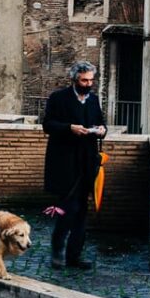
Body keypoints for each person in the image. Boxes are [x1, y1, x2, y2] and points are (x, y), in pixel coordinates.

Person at [42, 60, 107, 270]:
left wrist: (102, 130)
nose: (88, 84)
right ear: (74, 79)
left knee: (81, 212)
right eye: (84, 80)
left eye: (90, 80)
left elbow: (100, 121)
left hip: (87, 163)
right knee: (67, 209)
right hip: (65, 163)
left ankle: (74, 256)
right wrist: (70, 128)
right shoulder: (58, 98)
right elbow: (48, 125)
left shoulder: (94, 100)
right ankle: (57, 250)